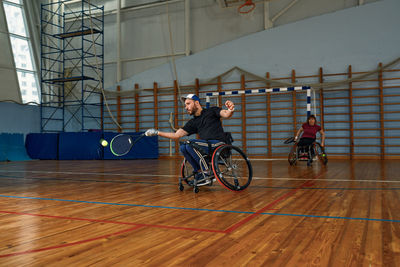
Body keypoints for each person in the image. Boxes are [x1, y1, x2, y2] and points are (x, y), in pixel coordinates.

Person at [145, 94, 235, 181]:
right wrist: (157, 132)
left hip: (219, 144)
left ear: (196, 103)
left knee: (190, 143)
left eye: (188, 104)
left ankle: (207, 171)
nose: (186, 107)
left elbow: (226, 114)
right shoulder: (192, 122)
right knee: (183, 147)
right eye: (185, 105)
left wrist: (230, 109)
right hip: (207, 146)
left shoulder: (212, 111)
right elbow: (176, 135)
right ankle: (199, 171)